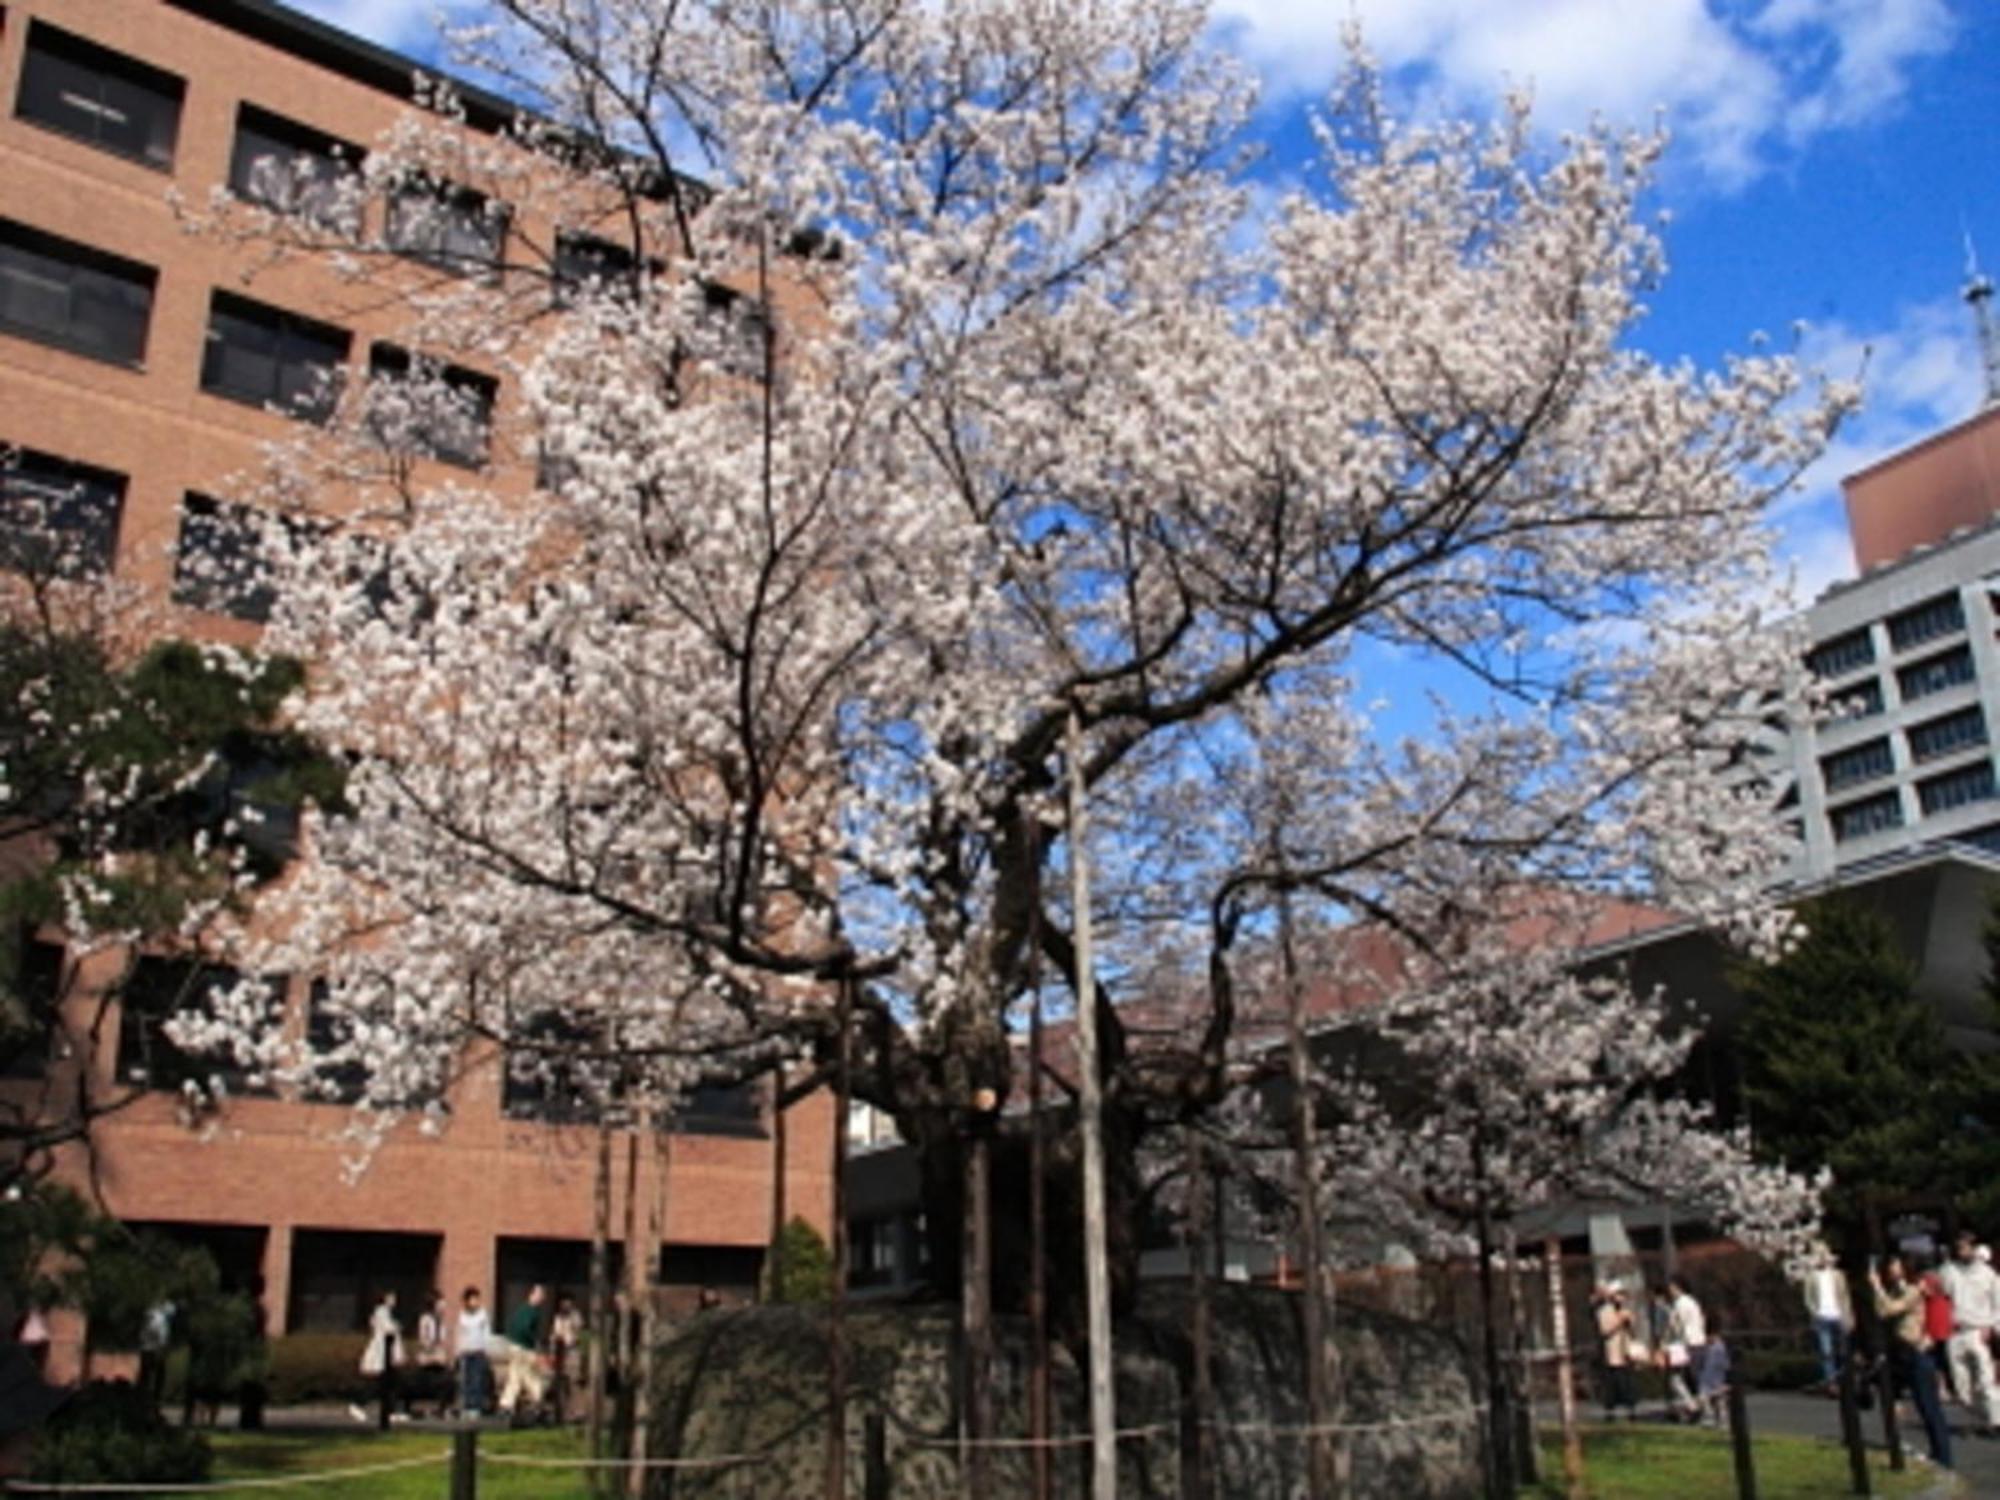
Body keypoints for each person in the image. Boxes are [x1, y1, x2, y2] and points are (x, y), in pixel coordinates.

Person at [1872, 1255, 1952, 1470]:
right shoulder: (1895, 1291)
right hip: (1899, 1352)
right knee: (1894, 1401)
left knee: (1928, 1407)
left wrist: (1877, 1287)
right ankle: (1899, 1445)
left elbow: (1890, 1309)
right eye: (1889, 1267)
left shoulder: (1914, 1290)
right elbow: (1881, 1311)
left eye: (1896, 1267)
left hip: (1915, 1351)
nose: (1892, 1271)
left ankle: (1943, 1456)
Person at [1938, 1231, 2000, 1434]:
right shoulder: (1949, 1271)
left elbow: (1997, 1304)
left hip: (1978, 1330)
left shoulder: (1988, 1274)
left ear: (1973, 1248)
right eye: (1958, 1247)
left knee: (1985, 1379)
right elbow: (1941, 1294)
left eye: (1965, 1247)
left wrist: (1992, 1327)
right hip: (1956, 1332)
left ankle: (1995, 1421)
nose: (1961, 1251)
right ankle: (1971, 1421)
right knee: (1961, 1382)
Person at [1800, 1247, 1853, 1391]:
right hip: (1822, 1317)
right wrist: (1814, 1312)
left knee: (1842, 1350)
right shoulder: (1811, 1277)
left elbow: (1845, 1297)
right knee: (1826, 1351)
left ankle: (1844, 1377)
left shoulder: (1838, 1275)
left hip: (1838, 1315)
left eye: (1824, 1255)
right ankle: (1831, 1382)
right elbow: (1808, 1298)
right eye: (1820, 1256)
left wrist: (1848, 1315)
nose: (1822, 1258)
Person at [498, 1283, 551, 1422]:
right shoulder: (533, 1312)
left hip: (513, 1346)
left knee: (515, 1376)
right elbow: (526, 1328)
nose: (541, 1298)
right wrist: (535, 1344)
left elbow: (511, 1325)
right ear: (532, 1294)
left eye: (542, 1295)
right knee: (531, 1376)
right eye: (539, 1294)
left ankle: (506, 1405)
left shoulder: (521, 1309)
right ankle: (537, 1400)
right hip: (524, 1348)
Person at [1657, 1278, 1705, 1423]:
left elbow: (1674, 1326)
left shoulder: (1680, 1304)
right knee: (1694, 1379)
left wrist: (1663, 1345)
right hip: (1698, 1342)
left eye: (1672, 1287)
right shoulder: (1693, 1302)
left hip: (1685, 1344)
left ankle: (1692, 1406)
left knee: (1675, 1378)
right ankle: (1698, 1406)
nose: (1670, 1291)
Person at [356, 1289, 404, 1430]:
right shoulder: (381, 1312)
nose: (394, 1300)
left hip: (387, 1353)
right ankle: (360, 1404)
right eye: (391, 1297)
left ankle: (390, 1410)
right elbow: (388, 1329)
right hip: (381, 1352)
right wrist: (396, 1327)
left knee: (390, 1383)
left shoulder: (387, 1313)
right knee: (379, 1383)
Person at [1592, 1284, 1640, 1421]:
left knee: (1628, 1383)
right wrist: (1619, 1320)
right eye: (1618, 1295)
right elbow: (1605, 1330)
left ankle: (1632, 1410)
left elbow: (1633, 1331)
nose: (1621, 1298)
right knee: (1614, 1383)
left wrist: (1630, 1322)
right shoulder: (1604, 1311)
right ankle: (1610, 1411)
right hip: (1612, 1352)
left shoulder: (1626, 1310)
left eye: (1623, 1295)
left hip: (1625, 1352)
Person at [455, 1286, 494, 1418]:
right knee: (466, 1380)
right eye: (473, 1299)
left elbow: (486, 1333)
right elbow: (460, 1334)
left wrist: (487, 1348)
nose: (475, 1302)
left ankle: (476, 1406)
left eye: (477, 1299)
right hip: (466, 1352)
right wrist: (459, 1350)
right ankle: (466, 1406)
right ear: (467, 1300)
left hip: (479, 1351)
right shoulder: (462, 1316)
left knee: (477, 1379)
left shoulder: (482, 1315)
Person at [414, 1290, 453, 1419]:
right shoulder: (426, 1319)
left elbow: (443, 1339)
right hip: (428, 1358)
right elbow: (424, 1339)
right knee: (425, 1384)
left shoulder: (440, 1320)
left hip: (438, 1358)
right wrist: (431, 1347)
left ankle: (442, 1409)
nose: (444, 1305)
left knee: (448, 1382)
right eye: (441, 1302)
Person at [548, 1292, 582, 1423]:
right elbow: (555, 1333)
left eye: (567, 1302)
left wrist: (570, 1336)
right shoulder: (558, 1317)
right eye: (563, 1302)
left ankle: (577, 1412)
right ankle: (564, 1412)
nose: (565, 1305)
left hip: (572, 1352)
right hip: (560, 1353)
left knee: (573, 1383)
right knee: (561, 1384)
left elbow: (577, 1333)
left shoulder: (575, 1316)